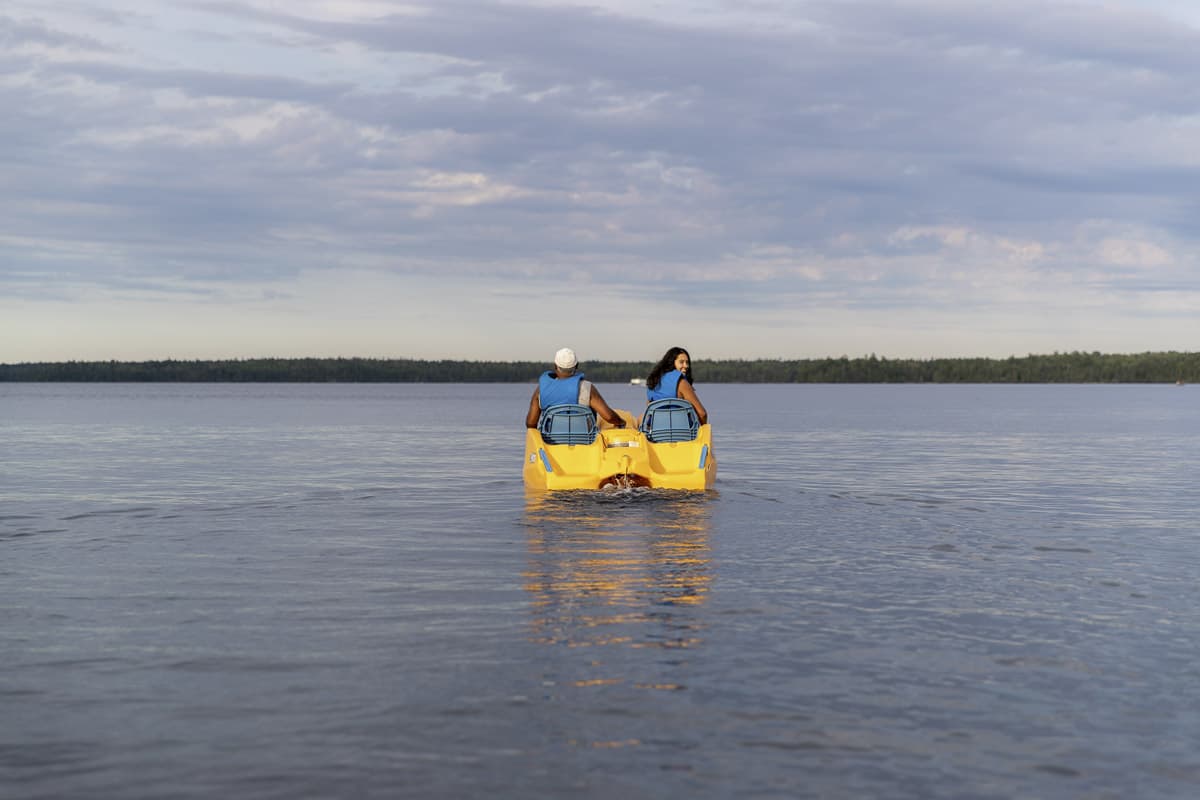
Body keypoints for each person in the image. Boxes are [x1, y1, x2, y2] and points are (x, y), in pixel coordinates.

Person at [526, 347, 626, 429]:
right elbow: (609, 416)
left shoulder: (540, 390)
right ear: (576, 366)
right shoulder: (586, 388)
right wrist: (621, 422)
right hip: (584, 440)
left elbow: (531, 423)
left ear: (555, 366)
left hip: (550, 442)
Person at [645, 346, 708, 424]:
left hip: (656, 432)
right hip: (682, 432)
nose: (686, 366)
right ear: (671, 363)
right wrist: (703, 429)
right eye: (681, 362)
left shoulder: (653, 381)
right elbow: (702, 414)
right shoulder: (681, 382)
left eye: (687, 362)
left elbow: (649, 411)